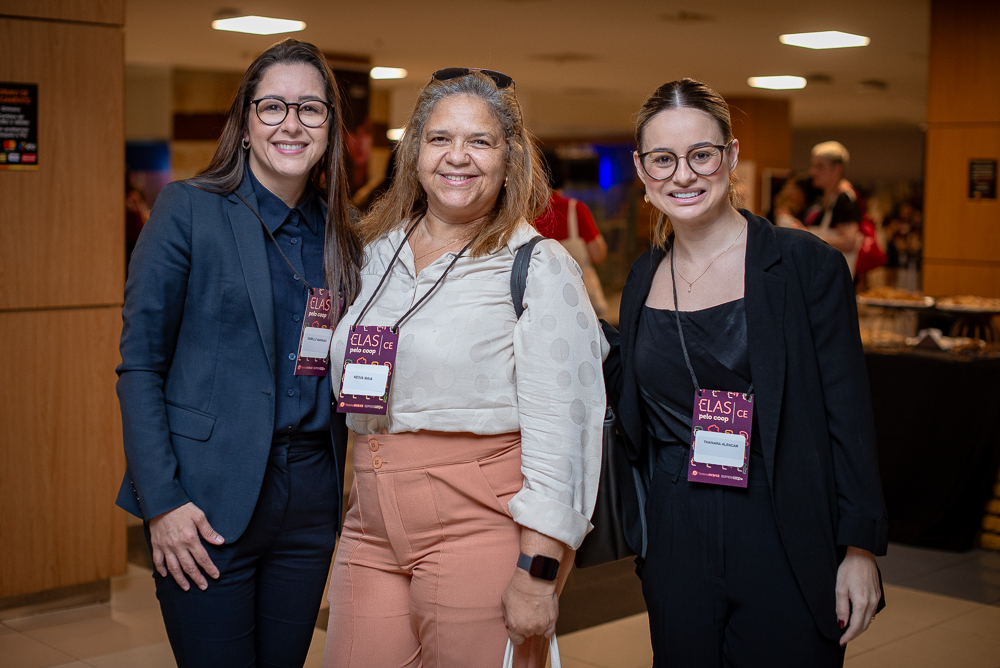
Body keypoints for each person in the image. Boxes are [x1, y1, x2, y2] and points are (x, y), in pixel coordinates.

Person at [323, 68, 606, 668]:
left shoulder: (538, 266)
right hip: (370, 522)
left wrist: (538, 569)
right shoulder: (377, 254)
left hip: (478, 526)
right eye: (439, 139)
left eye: (480, 141)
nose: (459, 157)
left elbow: (566, 430)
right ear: (414, 154)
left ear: (510, 159)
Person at [602, 79, 887, 667]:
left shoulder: (807, 265)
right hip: (676, 526)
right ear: (642, 169)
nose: (683, 175)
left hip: (783, 520)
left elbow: (848, 414)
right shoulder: (641, 279)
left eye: (701, 154)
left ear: (730, 158)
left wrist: (858, 547)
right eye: (663, 159)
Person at [115, 39, 362, 667]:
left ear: (330, 129)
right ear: (245, 123)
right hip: (205, 498)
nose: (291, 123)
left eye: (310, 109)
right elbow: (140, 365)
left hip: (309, 499)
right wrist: (162, 503)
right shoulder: (187, 211)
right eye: (272, 106)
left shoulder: (344, 236)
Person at [535, 153, 609, 316]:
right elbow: (597, 254)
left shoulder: (527, 215)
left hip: (541, 304)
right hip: (579, 304)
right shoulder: (575, 210)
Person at [805, 141, 864, 276]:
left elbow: (849, 241)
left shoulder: (844, 198)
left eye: (820, 166)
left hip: (834, 278)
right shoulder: (825, 198)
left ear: (837, 169)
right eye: (812, 166)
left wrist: (807, 236)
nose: (813, 172)